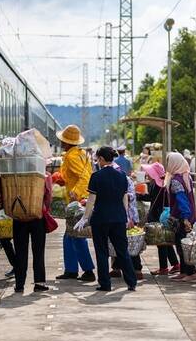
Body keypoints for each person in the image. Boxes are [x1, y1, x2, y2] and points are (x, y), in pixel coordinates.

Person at [74, 146, 137, 292]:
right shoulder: (122, 176)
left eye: (97, 159)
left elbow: (91, 200)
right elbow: (125, 198)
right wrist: (126, 216)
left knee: (102, 251)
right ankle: (131, 282)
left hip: (101, 219)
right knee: (122, 251)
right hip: (119, 218)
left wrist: (84, 218)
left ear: (101, 159)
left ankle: (105, 284)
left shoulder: (96, 176)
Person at [55, 125, 96, 282]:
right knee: (70, 236)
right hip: (82, 199)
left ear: (66, 142)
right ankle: (71, 270)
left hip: (77, 201)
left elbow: (84, 178)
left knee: (76, 235)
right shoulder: (82, 153)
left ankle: (87, 270)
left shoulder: (72, 157)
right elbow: (81, 175)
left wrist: (75, 194)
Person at [13, 173, 53, 293]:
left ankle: (19, 285)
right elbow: (48, 196)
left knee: (20, 252)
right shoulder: (44, 176)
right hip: (37, 217)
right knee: (38, 251)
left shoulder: (14, 176)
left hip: (19, 217)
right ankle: (39, 284)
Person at [138, 162, 180, 275]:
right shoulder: (163, 182)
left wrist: (138, 196)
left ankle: (163, 268)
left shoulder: (158, 185)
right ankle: (176, 264)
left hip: (159, 215)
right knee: (165, 240)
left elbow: (152, 198)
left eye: (149, 172)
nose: (147, 174)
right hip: (162, 214)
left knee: (160, 241)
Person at [165, 152, 196, 283]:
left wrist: (185, 218)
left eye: (168, 162)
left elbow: (182, 200)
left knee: (183, 246)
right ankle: (184, 271)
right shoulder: (185, 175)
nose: (167, 165)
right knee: (182, 245)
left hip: (182, 217)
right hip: (187, 216)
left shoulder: (176, 181)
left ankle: (191, 273)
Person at [110, 161, 143, 280]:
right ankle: (116, 268)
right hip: (118, 216)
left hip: (129, 216)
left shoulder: (126, 180)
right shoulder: (114, 180)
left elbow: (130, 196)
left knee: (132, 243)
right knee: (118, 243)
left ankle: (137, 269)